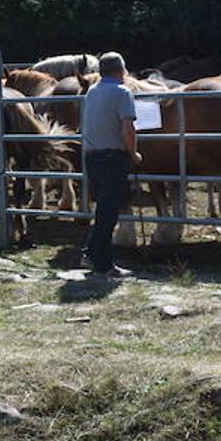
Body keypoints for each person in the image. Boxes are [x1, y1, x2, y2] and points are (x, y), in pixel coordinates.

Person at [79, 52, 140, 282]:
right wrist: (133, 153)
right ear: (121, 69)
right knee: (108, 213)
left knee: (103, 211)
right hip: (113, 158)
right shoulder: (123, 93)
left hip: (91, 157)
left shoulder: (91, 92)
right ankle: (103, 265)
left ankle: (92, 254)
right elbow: (128, 129)